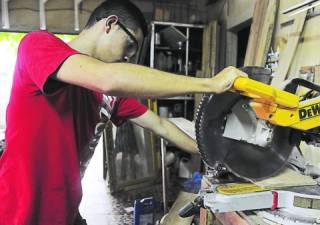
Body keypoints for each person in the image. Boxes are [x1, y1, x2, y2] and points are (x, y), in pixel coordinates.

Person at [0, 0, 247, 224]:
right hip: (17, 212)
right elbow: (108, 78)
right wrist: (210, 84)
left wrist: (220, 155)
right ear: (109, 24)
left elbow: (161, 125)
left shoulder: (109, 98)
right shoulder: (38, 45)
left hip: (65, 212)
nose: (127, 58)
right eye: (129, 45)